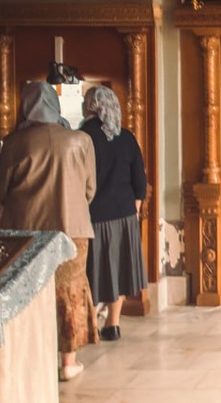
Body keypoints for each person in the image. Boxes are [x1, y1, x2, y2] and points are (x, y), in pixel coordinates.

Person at [0, 81, 98, 381]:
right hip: (73, 228)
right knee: (70, 291)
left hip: (25, 230)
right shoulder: (80, 140)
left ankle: (33, 357)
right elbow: (90, 190)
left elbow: (2, 191)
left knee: (28, 293)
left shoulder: (14, 143)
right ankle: (69, 361)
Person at [81, 85, 147, 342]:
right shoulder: (126, 137)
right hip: (125, 213)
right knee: (118, 270)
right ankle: (113, 324)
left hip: (93, 215)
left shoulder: (82, 136)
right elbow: (139, 181)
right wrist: (135, 210)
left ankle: (91, 324)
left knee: (92, 271)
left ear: (91, 106)